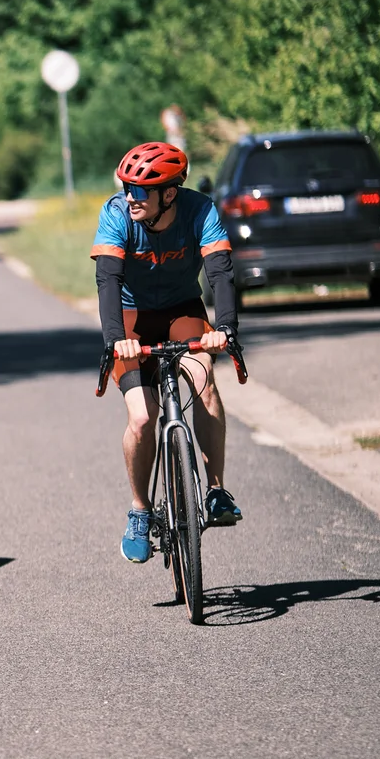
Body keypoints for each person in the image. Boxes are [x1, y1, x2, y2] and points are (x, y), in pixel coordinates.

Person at [91, 141, 242, 564]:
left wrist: (225, 328)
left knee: (204, 380)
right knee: (142, 417)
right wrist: (115, 337)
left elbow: (221, 273)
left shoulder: (201, 211)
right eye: (126, 187)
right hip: (130, 318)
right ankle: (140, 511)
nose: (129, 197)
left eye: (139, 190)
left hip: (182, 310)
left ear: (169, 194)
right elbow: (107, 279)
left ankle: (215, 491)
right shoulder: (117, 214)